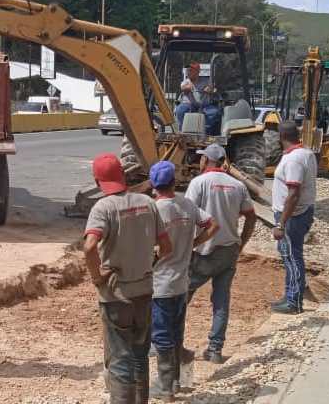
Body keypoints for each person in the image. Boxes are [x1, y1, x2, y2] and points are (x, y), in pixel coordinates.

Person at [83, 153, 172, 404]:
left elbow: (89, 247)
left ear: (97, 179)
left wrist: (97, 277)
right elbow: (167, 247)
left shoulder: (103, 207)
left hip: (116, 295)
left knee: (120, 358)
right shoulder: (147, 202)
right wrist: (149, 263)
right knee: (139, 355)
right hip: (144, 291)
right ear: (123, 174)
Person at [148, 161, 219, 401]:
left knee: (161, 336)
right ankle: (175, 380)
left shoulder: (155, 209)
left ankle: (165, 387)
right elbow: (213, 224)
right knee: (176, 332)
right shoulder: (187, 204)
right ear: (173, 181)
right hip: (181, 282)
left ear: (153, 185)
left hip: (161, 284)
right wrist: (194, 244)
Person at [184, 144, 257, 364]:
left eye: (202, 158)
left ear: (206, 161)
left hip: (202, 252)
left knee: (179, 298)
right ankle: (215, 350)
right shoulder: (238, 185)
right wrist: (241, 244)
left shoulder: (199, 183)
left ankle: (165, 344)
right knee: (221, 302)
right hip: (228, 251)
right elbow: (251, 217)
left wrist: (186, 246)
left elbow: (186, 216)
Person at [271, 121, 317, 315]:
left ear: (281, 137)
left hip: (292, 217)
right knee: (290, 255)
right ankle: (290, 295)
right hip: (300, 213)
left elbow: (293, 194)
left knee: (291, 257)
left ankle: (294, 302)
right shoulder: (305, 154)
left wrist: (281, 223)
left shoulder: (294, 160)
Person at [175, 62, 202, 130]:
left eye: (191, 70)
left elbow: (212, 89)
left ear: (198, 72)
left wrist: (210, 89)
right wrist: (188, 88)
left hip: (203, 105)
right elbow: (183, 87)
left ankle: (210, 134)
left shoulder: (205, 82)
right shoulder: (186, 81)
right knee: (180, 109)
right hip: (188, 104)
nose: (188, 72)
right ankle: (181, 131)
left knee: (213, 112)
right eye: (188, 70)